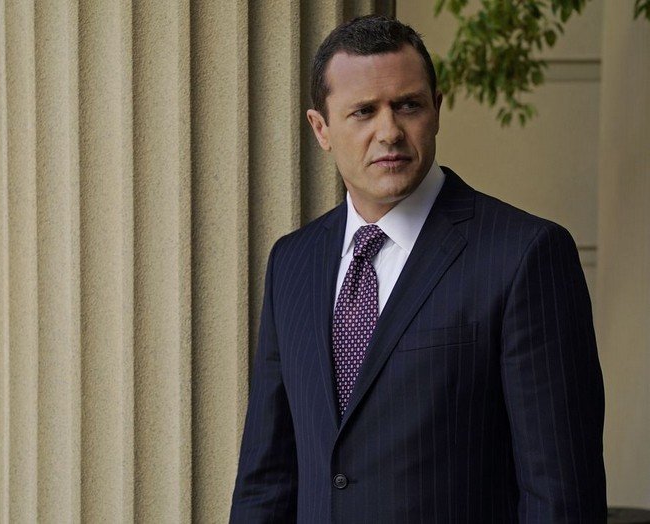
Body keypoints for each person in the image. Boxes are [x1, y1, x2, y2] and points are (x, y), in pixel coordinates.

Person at [229, 15, 606, 523]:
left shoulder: (524, 255)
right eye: (364, 111)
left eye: (408, 105)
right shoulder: (292, 263)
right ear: (321, 129)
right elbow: (266, 479)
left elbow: (561, 494)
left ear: (437, 110)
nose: (389, 132)